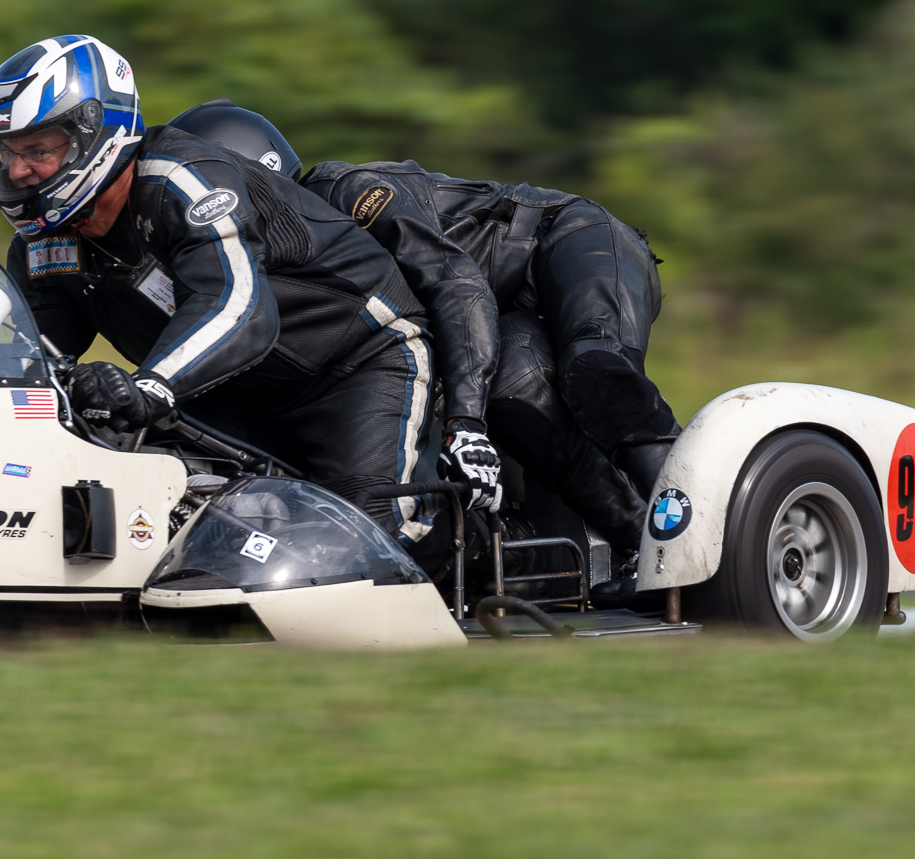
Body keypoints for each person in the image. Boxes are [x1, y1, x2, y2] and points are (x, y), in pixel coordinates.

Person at [176, 101, 678, 596]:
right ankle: (636, 542)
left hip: (564, 239)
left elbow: (457, 286)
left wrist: (467, 425)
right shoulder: (264, 258)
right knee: (517, 395)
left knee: (596, 365)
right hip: (496, 319)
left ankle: (690, 519)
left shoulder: (347, 193)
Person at [0, 35, 460, 539]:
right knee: (180, 520)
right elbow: (34, 355)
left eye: (37, 150)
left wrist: (149, 385)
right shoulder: (43, 241)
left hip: (354, 365)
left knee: (368, 538)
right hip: (225, 388)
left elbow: (241, 308)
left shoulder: (183, 181)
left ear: (97, 133)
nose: (16, 171)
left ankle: (502, 560)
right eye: (6, 153)